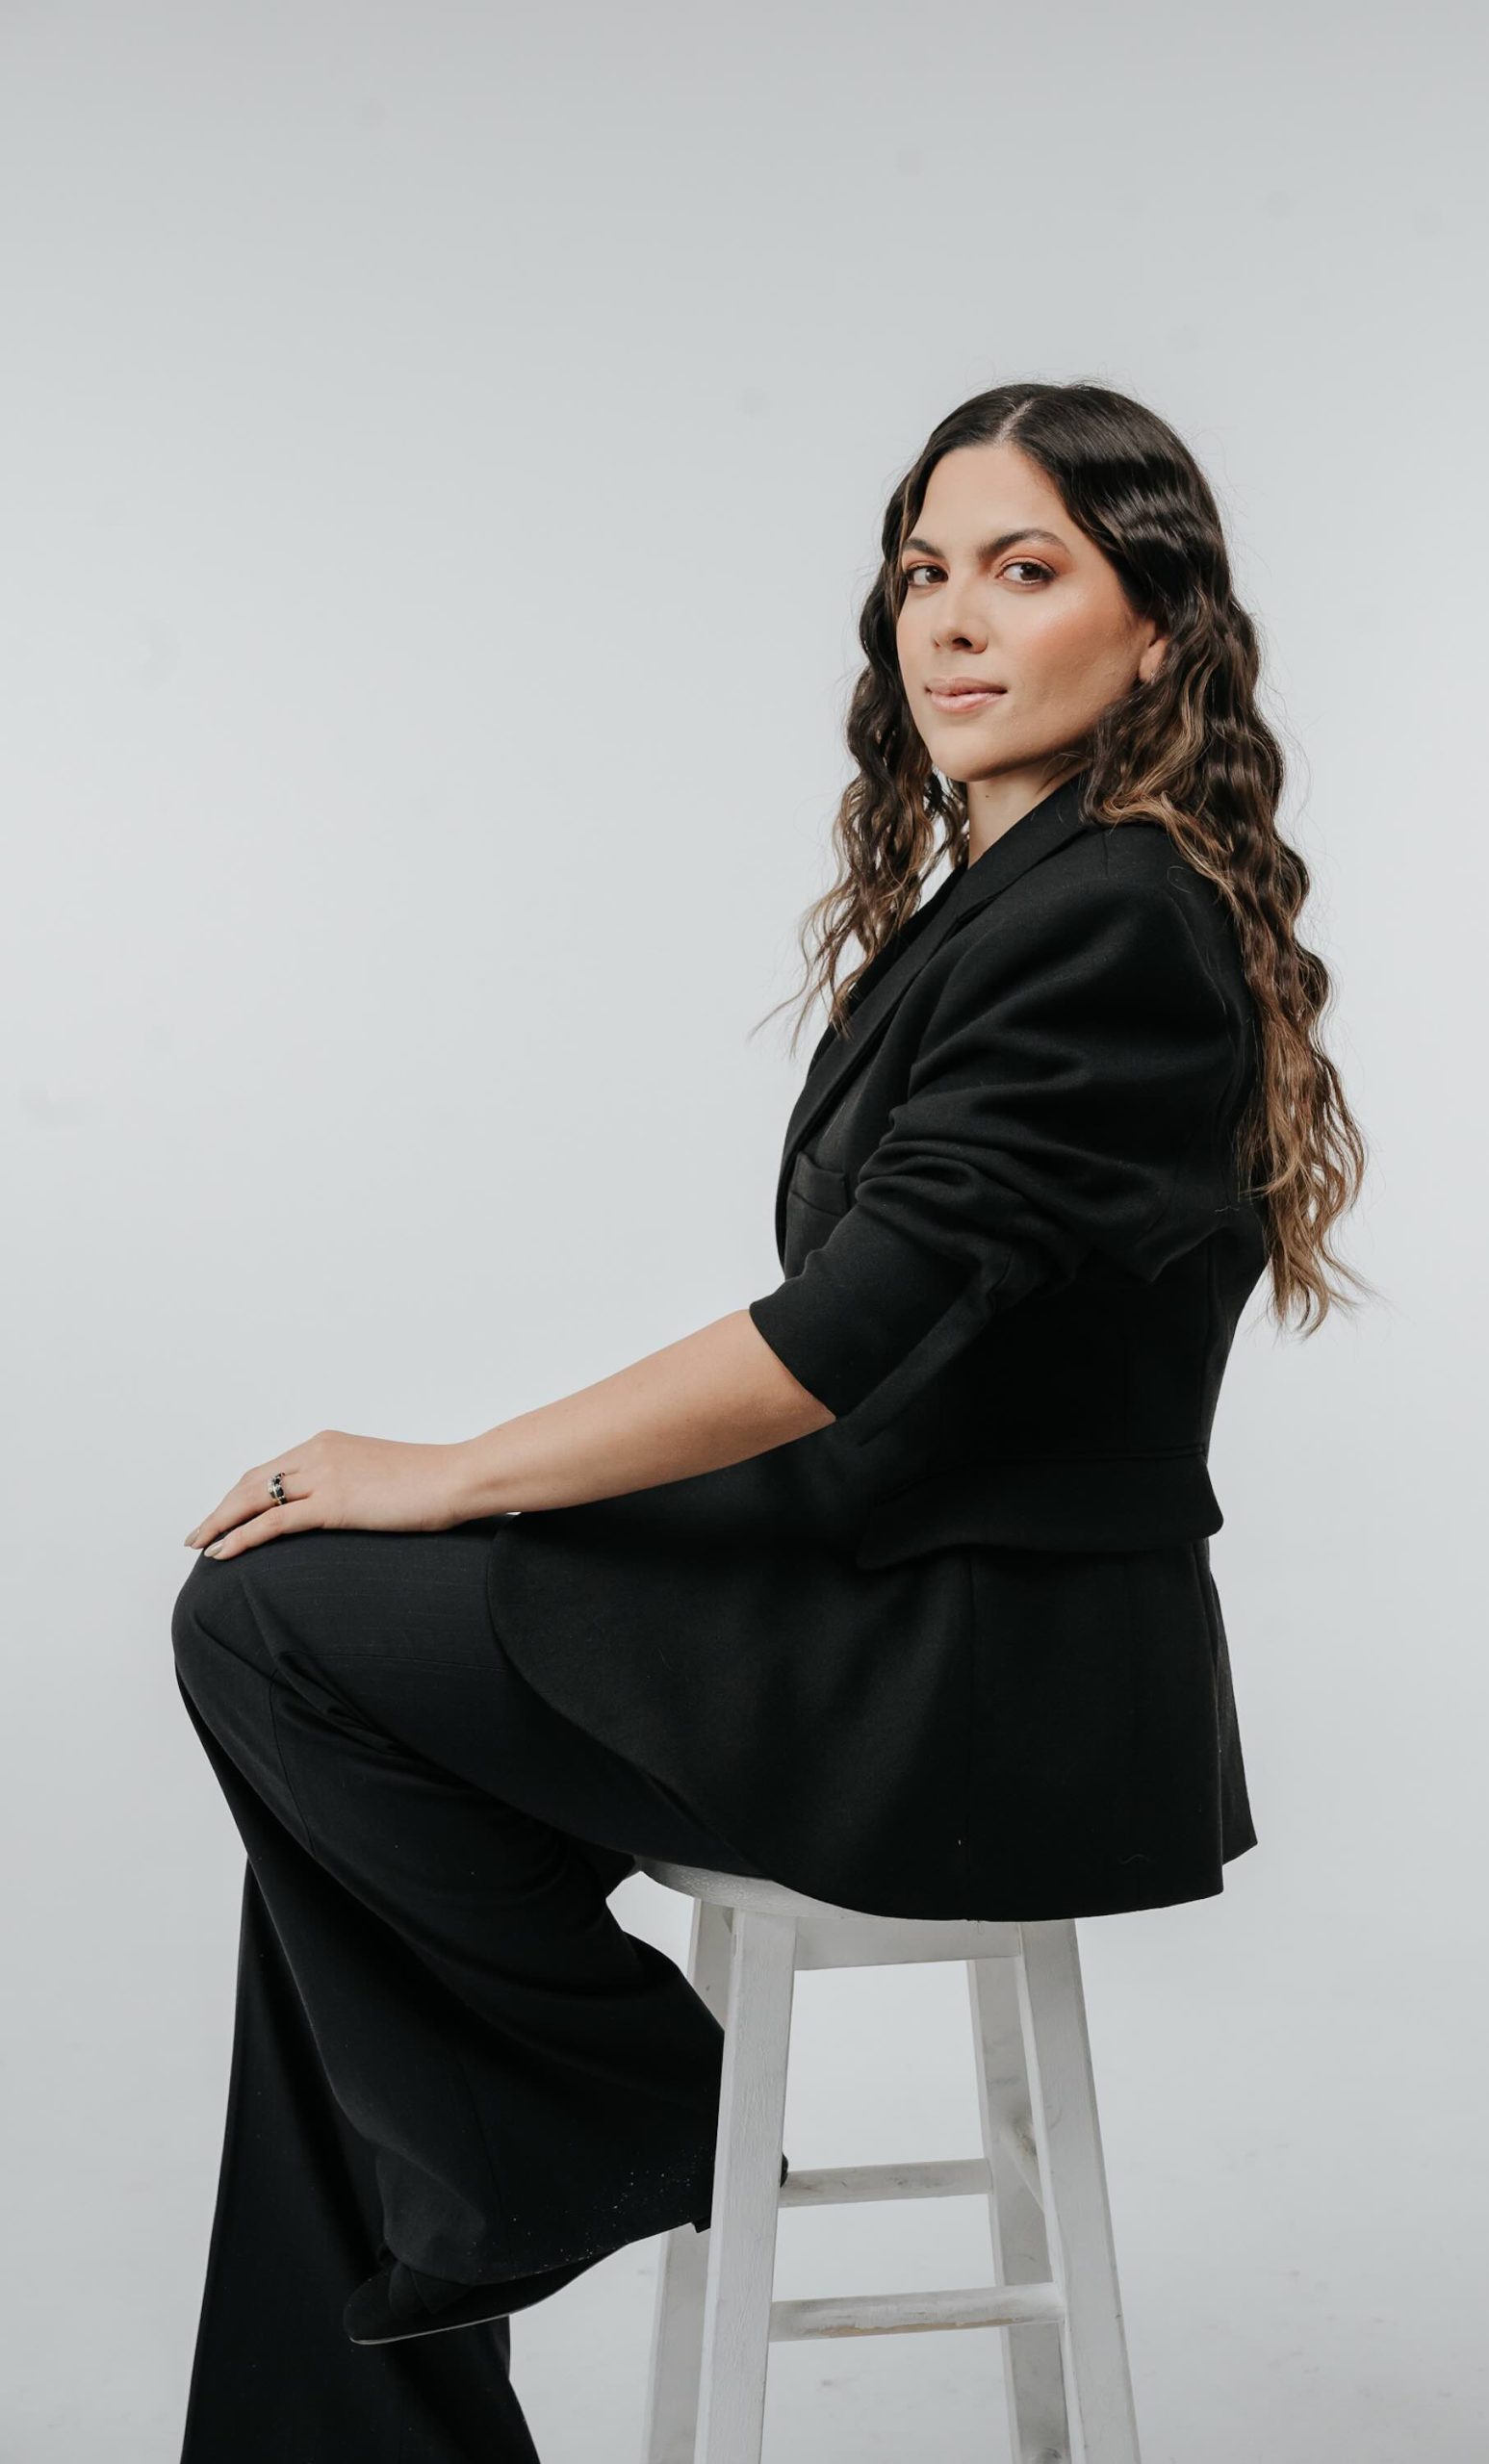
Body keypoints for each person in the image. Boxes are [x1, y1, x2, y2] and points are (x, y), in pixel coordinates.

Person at [170, 377, 1369, 2459]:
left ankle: (617, 2110)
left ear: (1155, 631)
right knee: (333, 1869)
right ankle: (390, 2365)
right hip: (889, 1604)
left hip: (968, 1680)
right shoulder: (1025, 896)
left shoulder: (1108, 914)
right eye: (924, 572)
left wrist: (449, 1475)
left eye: (1024, 570)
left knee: (273, 1624)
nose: (951, 621)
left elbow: (839, 1340)